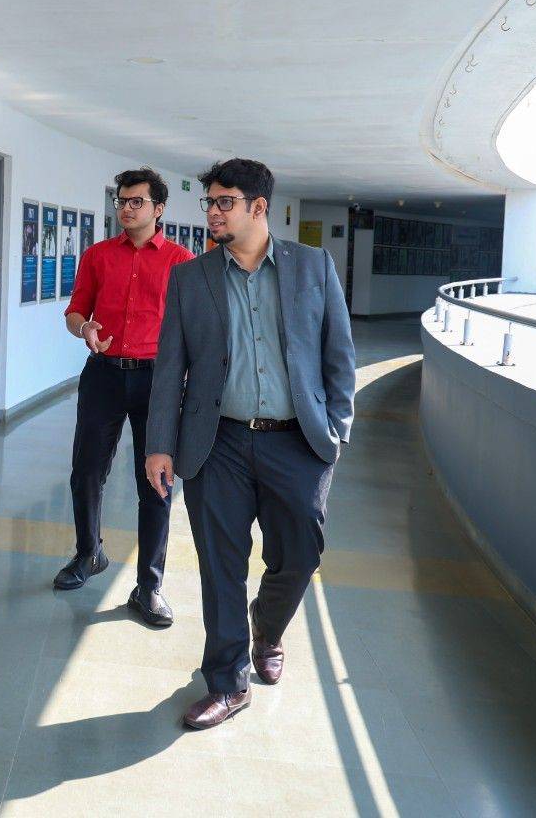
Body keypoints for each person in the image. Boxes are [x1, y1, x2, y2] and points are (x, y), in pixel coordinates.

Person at [144, 158, 355, 730]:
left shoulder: (312, 266)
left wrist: (337, 428)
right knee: (220, 566)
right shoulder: (191, 278)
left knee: (300, 555)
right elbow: (170, 367)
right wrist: (159, 444)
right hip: (218, 444)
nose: (212, 213)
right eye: (209, 203)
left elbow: (339, 354)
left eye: (224, 203)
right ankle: (228, 682)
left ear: (258, 207)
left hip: (298, 442)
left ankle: (268, 627)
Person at [56, 169, 195, 628]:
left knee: (155, 481)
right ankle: (88, 553)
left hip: (158, 380)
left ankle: (148, 585)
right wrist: (84, 327)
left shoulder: (181, 261)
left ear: (159, 209)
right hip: (104, 374)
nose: (126, 208)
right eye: (122, 201)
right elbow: (75, 310)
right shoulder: (98, 256)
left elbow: (193, 326)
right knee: (86, 472)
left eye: (137, 201)